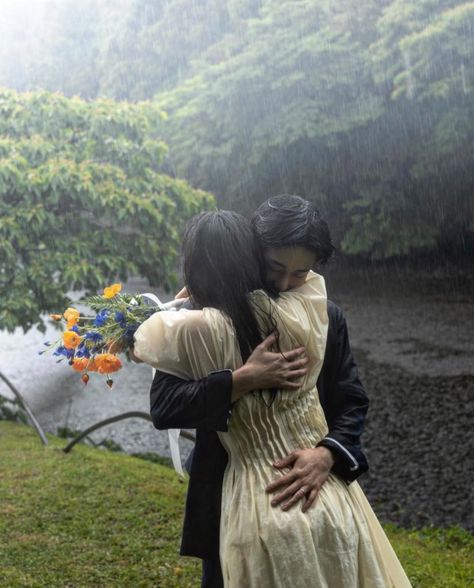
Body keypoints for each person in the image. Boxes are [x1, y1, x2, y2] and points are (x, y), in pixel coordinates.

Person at [134, 209, 411, 587]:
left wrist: (327, 453)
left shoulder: (326, 317)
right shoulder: (202, 321)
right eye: (274, 267)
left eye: (300, 274)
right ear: (252, 255)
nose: (284, 283)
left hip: (315, 483)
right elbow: (166, 406)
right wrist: (239, 380)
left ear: (315, 270)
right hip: (226, 490)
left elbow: (351, 401)